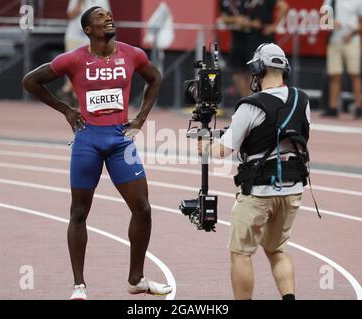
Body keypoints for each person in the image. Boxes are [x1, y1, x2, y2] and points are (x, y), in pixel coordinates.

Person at [22, 6, 172, 300]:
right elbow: (30, 81)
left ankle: (136, 279)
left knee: (143, 210)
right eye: (100, 17)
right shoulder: (74, 58)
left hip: (120, 141)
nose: (108, 18)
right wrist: (66, 109)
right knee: (79, 213)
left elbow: (155, 78)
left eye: (110, 15)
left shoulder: (132, 54)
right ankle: (79, 286)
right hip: (87, 141)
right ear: (87, 30)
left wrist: (140, 118)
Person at [199, 43, 311, 300]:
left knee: (241, 252)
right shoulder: (301, 100)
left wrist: (202, 144)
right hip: (293, 188)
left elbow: (221, 151)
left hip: (258, 191)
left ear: (258, 68)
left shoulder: (250, 105)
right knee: (277, 249)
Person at [219, 0, 288, 99]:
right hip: (242, 39)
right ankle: (246, 100)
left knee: (256, 72)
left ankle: (255, 99)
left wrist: (273, 26)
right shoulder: (238, 4)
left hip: (260, 39)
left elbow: (283, 6)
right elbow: (227, 18)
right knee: (238, 72)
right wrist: (239, 20)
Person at [58, 0, 111, 107]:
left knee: (88, 68)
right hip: (74, 37)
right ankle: (74, 95)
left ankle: (68, 90)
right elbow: (71, 14)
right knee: (73, 67)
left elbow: (108, 17)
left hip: (92, 39)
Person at [322, 0, 362, 118]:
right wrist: (331, 23)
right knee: (334, 74)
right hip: (335, 41)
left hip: (352, 41)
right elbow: (324, 22)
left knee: (355, 74)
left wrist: (353, 33)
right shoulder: (330, 1)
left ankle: (358, 106)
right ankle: (333, 107)